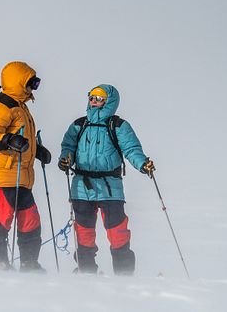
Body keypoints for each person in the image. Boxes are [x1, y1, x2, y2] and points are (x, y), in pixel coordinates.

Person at [58, 84, 155, 275]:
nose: (94, 101)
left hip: (110, 185)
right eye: (91, 97)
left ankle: (124, 275)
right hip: (81, 186)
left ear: (109, 101)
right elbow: (67, 145)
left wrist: (143, 164)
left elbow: (131, 149)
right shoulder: (79, 124)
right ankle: (86, 273)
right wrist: (66, 158)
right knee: (84, 232)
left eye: (99, 98)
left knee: (117, 231)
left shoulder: (118, 125)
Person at [0, 61, 52, 272]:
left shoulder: (21, 108)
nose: (33, 88)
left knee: (31, 220)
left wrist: (37, 150)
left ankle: (29, 263)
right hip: (2, 175)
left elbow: (23, 138)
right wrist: (8, 140)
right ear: (18, 82)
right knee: (3, 218)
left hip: (22, 176)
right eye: (31, 83)